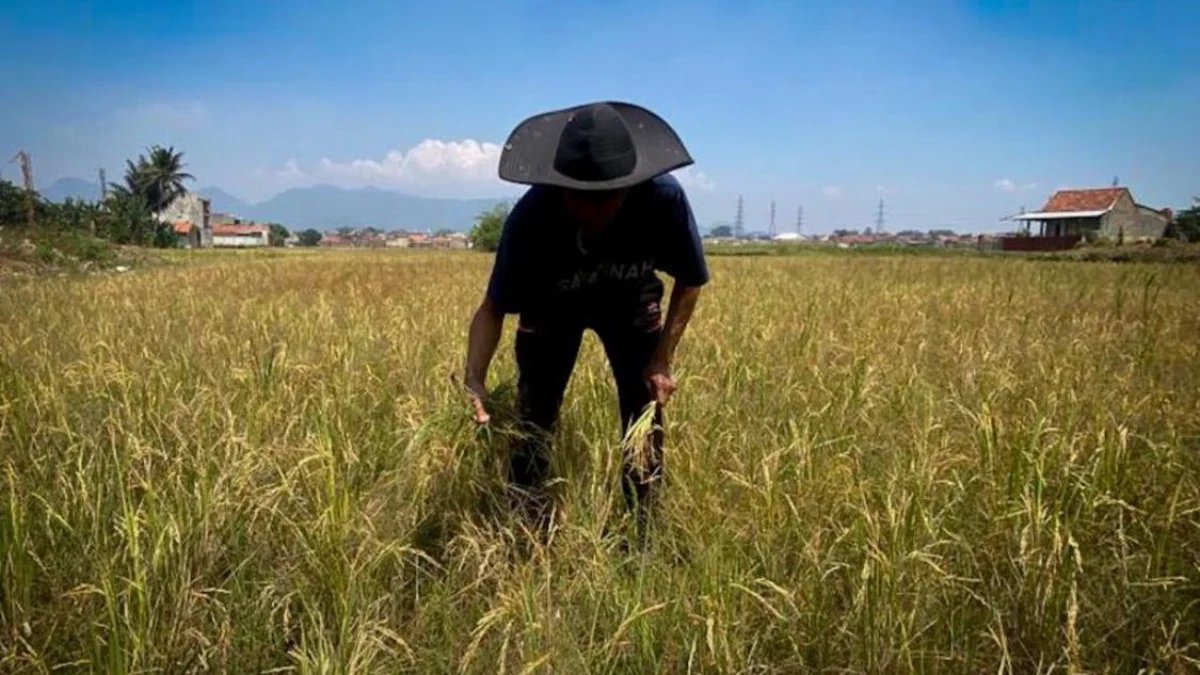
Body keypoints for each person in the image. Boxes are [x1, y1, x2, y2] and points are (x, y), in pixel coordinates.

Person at [462, 100, 710, 530]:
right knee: (533, 415)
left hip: (629, 301)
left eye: (606, 199)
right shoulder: (532, 215)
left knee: (644, 415)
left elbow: (691, 279)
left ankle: (642, 531)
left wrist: (663, 357)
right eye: (579, 198)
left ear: (629, 184)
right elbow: (493, 306)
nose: (591, 211)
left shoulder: (662, 198)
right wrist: (475, 380)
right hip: (552, 304)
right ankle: (525, 527)